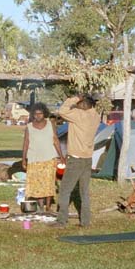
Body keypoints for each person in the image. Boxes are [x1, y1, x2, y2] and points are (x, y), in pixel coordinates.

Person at [51, 94, 100, 228]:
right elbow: (89, 108)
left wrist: (75, 98)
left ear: (83, 105)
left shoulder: (79, 115)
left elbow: (62, 110)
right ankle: (85, 221)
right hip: (87, 158)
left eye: (78, 104)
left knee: (65, 190)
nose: (76, 106)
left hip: (75, 159)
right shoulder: (96, 116)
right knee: (84, 192)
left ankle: (61, 221)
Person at [22, 103, 65, 213]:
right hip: (34, 159)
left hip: (49, 158)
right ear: (33, 115)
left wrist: (61, 156)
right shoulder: (29, 127)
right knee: (37, 183)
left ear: (44, 113)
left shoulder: (51, 124)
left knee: (48, 183)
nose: (38, 116)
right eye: (36, 114)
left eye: (40, 113)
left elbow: (55, 140)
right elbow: (26, 143)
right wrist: (24, 159)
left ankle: (48, 206)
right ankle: (41, 206)